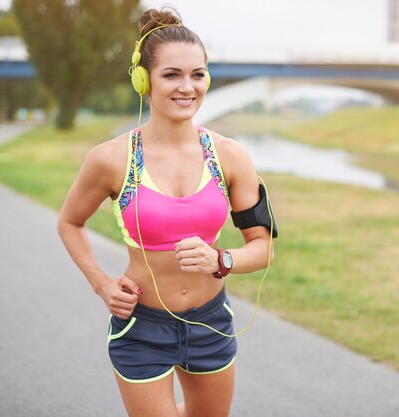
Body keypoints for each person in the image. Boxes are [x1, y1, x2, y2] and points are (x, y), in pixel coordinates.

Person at [57, 6, 274, 417]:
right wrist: (101, 283)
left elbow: (262, 246)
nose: (187, 87)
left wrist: (221, 259)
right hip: (141, 325)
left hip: (210, 322)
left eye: (198, 74)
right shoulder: (110, 160)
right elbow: (69, 222)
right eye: (171, 74)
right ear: (144, 80)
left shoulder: (230, 156)